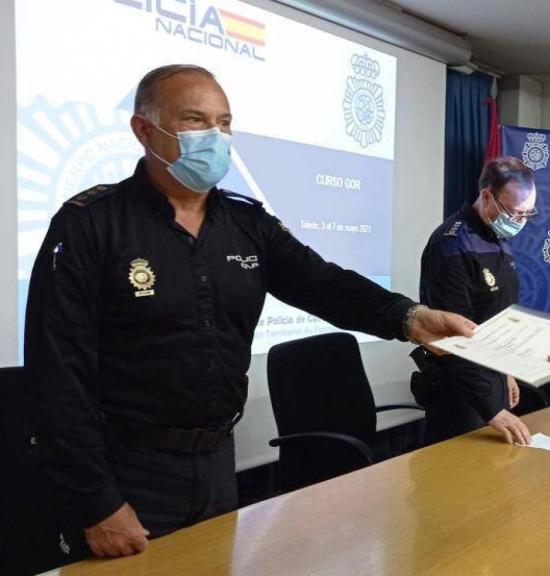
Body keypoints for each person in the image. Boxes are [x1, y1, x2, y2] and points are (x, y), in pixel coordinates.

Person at [24, 64, 475, 561]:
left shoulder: (246, 222)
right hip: (128, 471)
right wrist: (97, 501)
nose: (214, 137)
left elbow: (322, 283)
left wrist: (408, 317)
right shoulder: (91, 223)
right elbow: (56, 376)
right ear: (143, 130)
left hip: (218, 461)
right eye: (196, 120)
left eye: (224, 123)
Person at [413, 157, 536, 446]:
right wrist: (492, 408)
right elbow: (455, 339)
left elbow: (500, 314)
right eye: (515, 213)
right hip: (460, 389)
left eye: (527, 215)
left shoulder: (497, 238)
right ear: (486, 196)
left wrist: (505, 371)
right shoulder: (452, 244)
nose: (520, 222)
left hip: (492, 377)